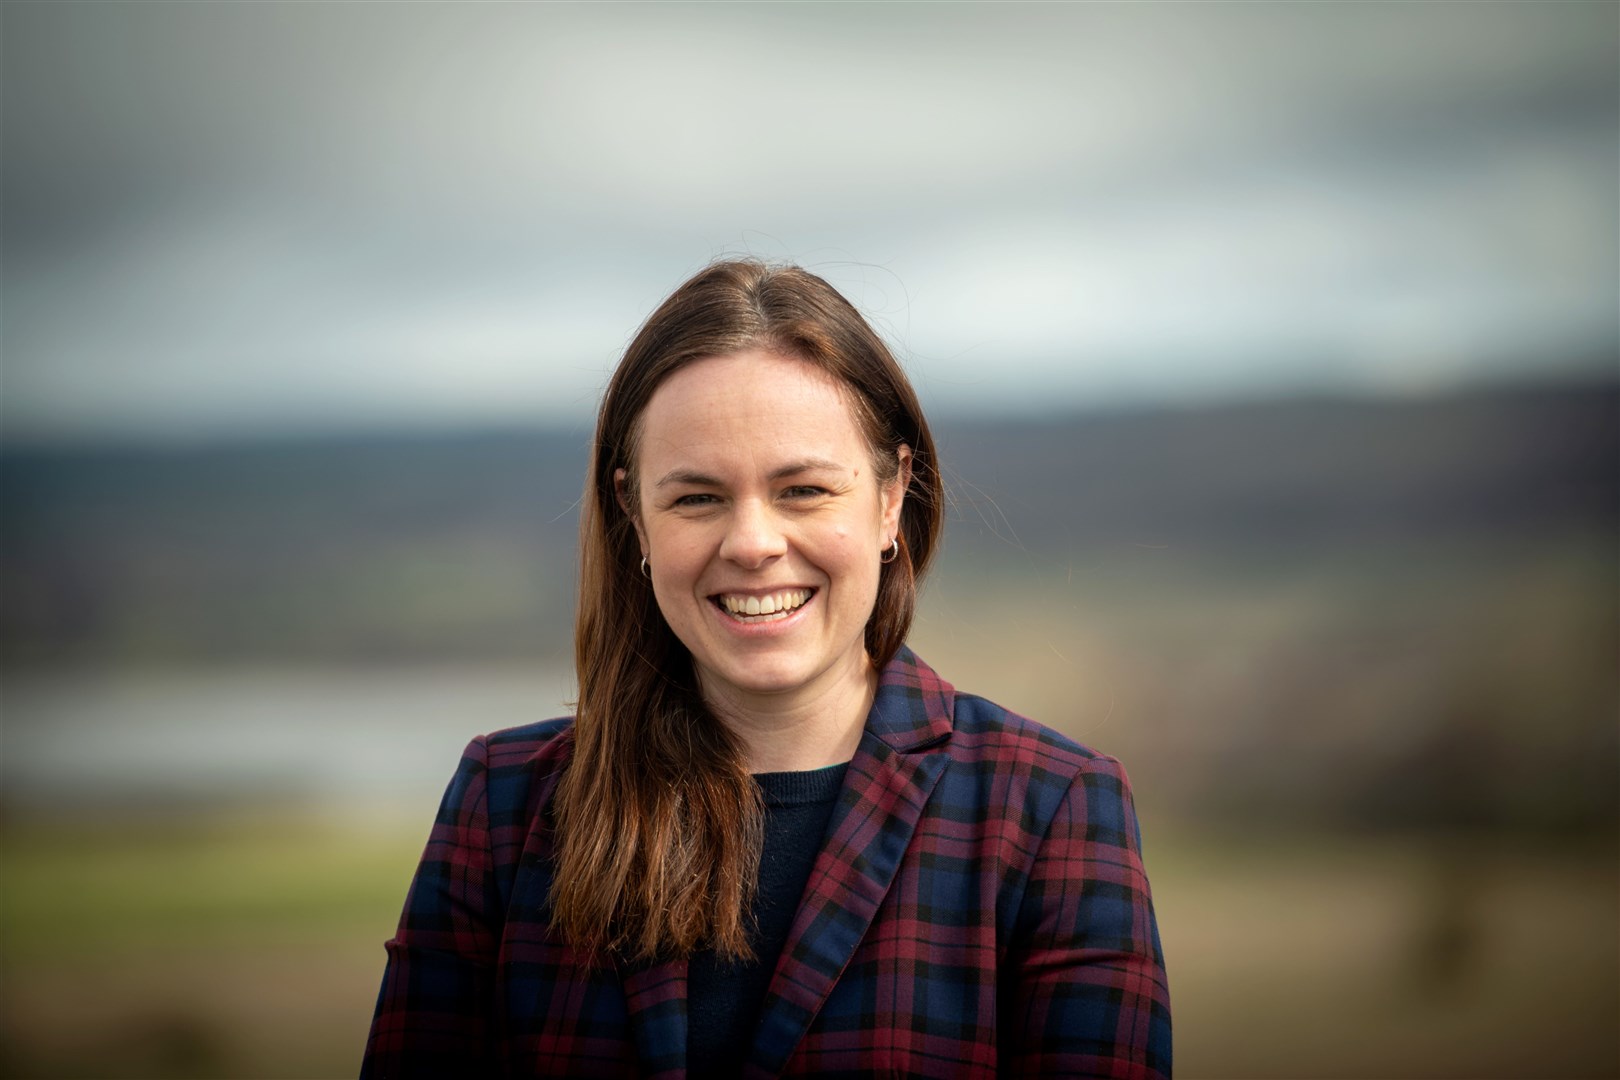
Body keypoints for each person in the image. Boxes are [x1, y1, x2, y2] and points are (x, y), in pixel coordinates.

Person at [360, 260, 1171, 1078]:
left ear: (891, 499)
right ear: (632, 515)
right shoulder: (503, 805)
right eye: (697, 498)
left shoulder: (1047, 808)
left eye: (805, 490)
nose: (751, 543)